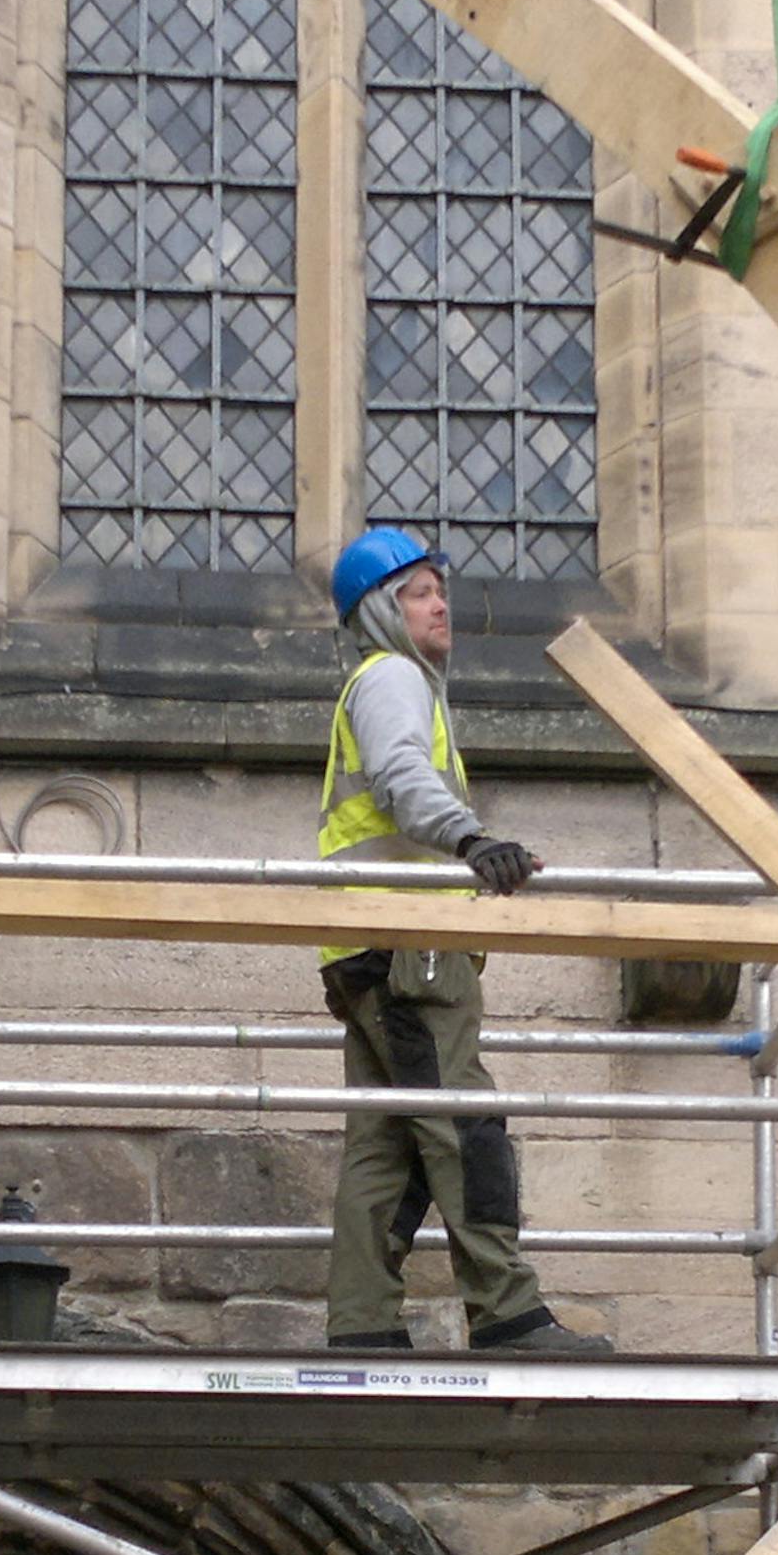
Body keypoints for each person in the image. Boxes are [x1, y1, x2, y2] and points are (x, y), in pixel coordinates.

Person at [315, 527, 611, 1358]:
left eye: (439, 587)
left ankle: (362, 1326)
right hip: (410, 948)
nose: (439, 602)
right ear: (380, 611)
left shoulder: (380, 683)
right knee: (464, 1126)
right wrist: (471, 841)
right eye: (416, 592)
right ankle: (509, 1314)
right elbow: (404, 776)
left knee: (388, 1145)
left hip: (363, 946)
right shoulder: (395, 678)